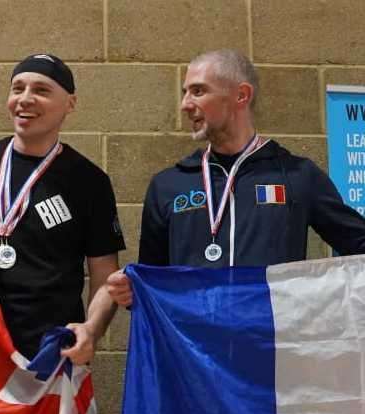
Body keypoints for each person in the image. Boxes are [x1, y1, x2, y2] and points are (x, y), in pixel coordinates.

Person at [108, 49, 365, 306]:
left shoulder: (297, 176)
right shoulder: (168, 185)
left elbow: (358, 245)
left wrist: (316, 303)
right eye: (185, 92)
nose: (185, 104)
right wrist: (132, 293)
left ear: (241, 95)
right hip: (194, 345)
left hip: (270, 341)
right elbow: (152, 280)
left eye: (198, 91)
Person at [0, 54, 126, 363]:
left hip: (50, 353)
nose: (25, 99)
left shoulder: (89, 180)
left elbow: (105, 275)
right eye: (18, 88)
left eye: (41, 90)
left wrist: (90, 331)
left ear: (70, 103)